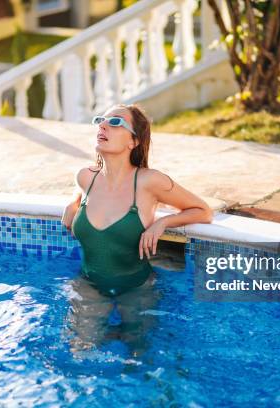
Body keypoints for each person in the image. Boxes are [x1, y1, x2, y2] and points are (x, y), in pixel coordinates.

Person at [61, 103, 212, 354]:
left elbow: (203, 211)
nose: (103, 125)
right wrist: (73, 202)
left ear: (134, 141)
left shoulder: (149, 182)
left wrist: (162, 223)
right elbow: (82, 191)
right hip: (89, 285)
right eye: (101, 120)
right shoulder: (86, 177)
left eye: (116, 122)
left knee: (139, 357)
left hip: (137, 289)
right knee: (79, 352)